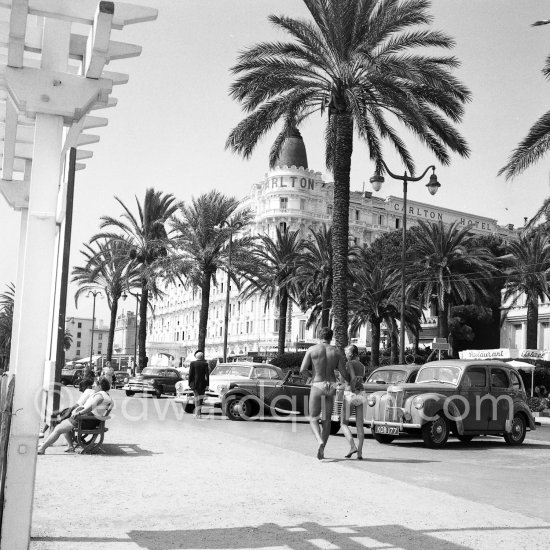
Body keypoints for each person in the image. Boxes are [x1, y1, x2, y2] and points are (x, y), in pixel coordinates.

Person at [300, 327, 346, 460]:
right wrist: (351, 381)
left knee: (313, 417)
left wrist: (310, 377)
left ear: (319, 336)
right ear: (331, 337)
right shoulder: (337, 351)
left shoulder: (312, 349)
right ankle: (323, 449)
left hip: (317, 384)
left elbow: (303, 369)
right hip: (331, 385)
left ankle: (319, 440)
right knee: (327, 420)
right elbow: (343, 372)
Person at [38, 377, 112, 454]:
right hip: (88, 419)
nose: (93, 386)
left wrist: (79, 413)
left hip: (86, 419)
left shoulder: (100, 395)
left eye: (95, 385)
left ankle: (42, 449)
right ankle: (70, 446)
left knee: (58, 429)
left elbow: (90, 407)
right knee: (62, 424)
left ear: (100, 386)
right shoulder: (104, 395)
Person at [340, 344, 366, 460]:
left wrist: (352, 388)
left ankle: (352, 446)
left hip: (351, 393)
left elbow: (353, 378)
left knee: (343, 423)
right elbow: (360, 378)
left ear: (351, 353)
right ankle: (359, 452)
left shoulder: (349, 363)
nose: (345, 354)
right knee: (359, 425)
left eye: (346, 352)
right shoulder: (362, 365)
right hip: (361, 394)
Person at [188, 351, 209, 419]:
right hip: (203, 384)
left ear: (196, 357)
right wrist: (207, 384)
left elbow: (190, 374)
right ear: (202, 357)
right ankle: (198, 413)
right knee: (200, 399)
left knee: (196, 398)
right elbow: (207, 375)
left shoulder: (193, 363)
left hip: (194, 384)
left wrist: (189, 383)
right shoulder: (205, 364)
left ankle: (198, 414)